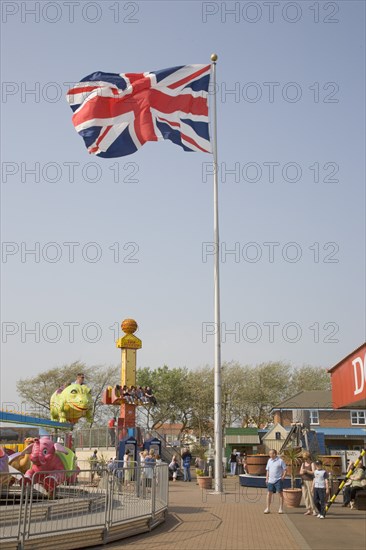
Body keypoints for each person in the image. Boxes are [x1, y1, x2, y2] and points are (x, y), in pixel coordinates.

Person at [264, 449, 287, 514]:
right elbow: (267, 470)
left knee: (280, 494)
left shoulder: (280, 461)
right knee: (269, 494)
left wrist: (283, 477)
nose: (269, 455)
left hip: (278, 480)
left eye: (270, 453)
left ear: (274, 454)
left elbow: (285, 469)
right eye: (269, 453)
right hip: (270, 480)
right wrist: (266, 478)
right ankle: (268, 508)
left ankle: (280, 508)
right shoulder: (269, 460)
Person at [299, 451, 317, 516]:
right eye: (304, 459)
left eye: (306, 459)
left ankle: (314, 510)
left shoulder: (312, 463)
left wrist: (306, 471)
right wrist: (302, 472)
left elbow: (314, 472)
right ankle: (308, 509)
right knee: (305, 495)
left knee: (311, 495)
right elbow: (300, 472)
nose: (305, 460)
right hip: (304, 481)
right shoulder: (303, 464)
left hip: (310, 481)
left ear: (309, 458)